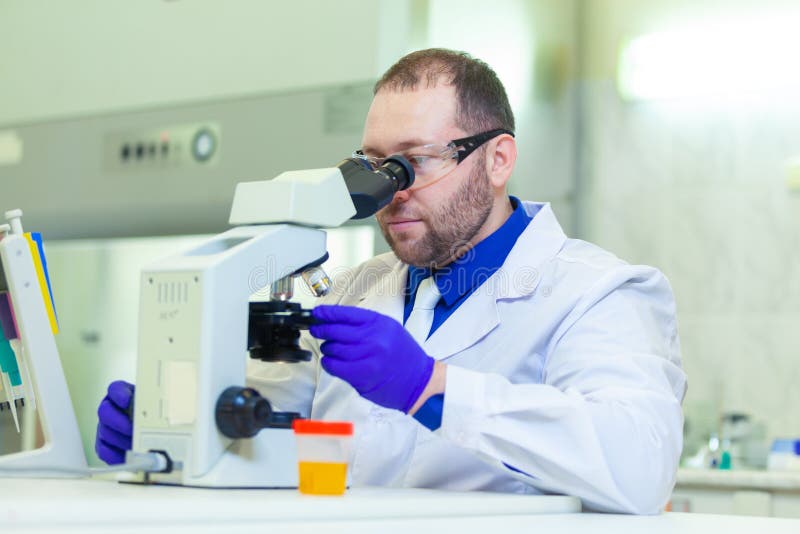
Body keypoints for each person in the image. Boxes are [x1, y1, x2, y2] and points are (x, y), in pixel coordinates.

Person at [95, 48, 686, 514]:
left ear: (498, 159)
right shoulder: (355, 289)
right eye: (375, 166)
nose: (389, 191)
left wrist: (432, 388)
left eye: (413, 163)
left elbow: (639, 466)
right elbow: (261, 426)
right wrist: (171, 427)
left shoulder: (599, 292)